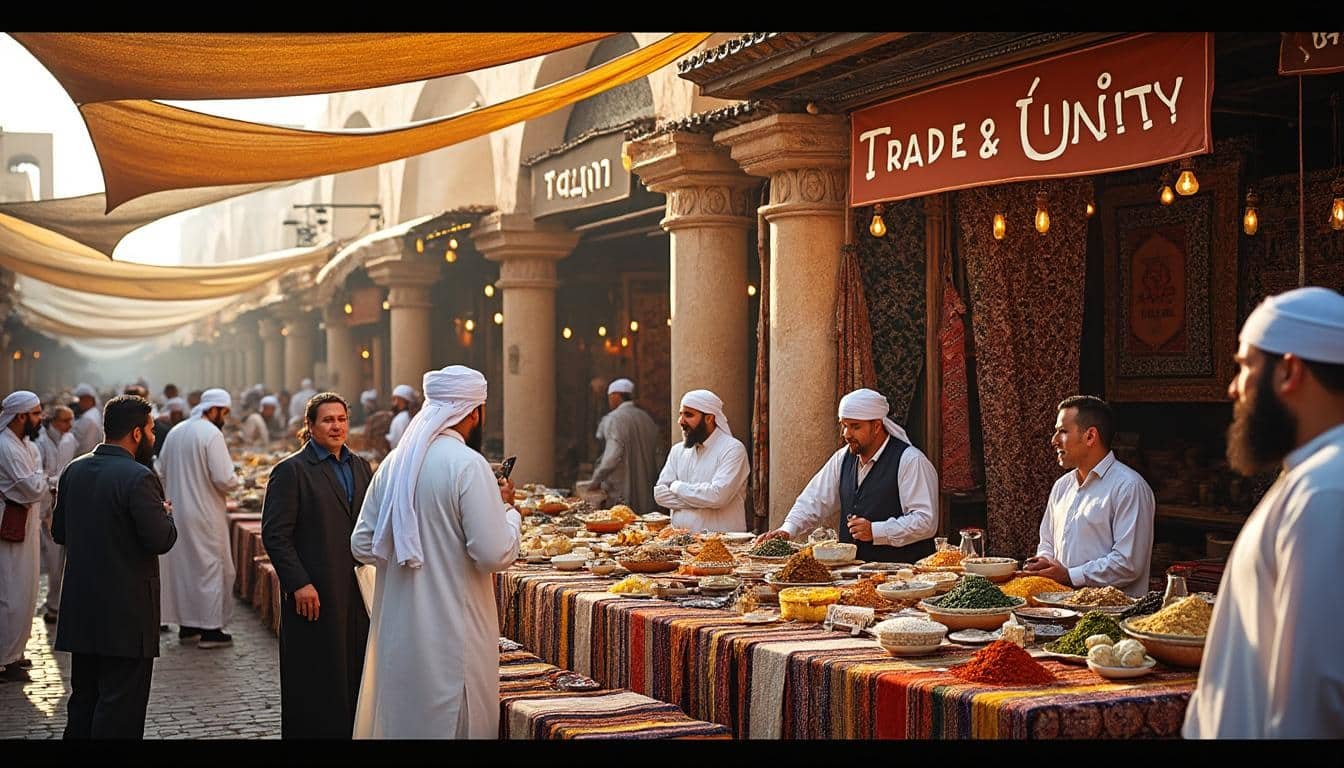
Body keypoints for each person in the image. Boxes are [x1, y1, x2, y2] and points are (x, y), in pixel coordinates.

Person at [1184, 286, 1344, 738]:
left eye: (1245, 367)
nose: (1234, 387)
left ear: (1289, 370)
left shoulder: (1326, 490)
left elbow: (1315, 699)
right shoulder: (1311, 477)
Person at [351, 365, 521, 738]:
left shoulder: (394, 464)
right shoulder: (468, 465)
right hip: (452, 631)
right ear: (474, 413)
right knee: (455, 720)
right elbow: (492, 553)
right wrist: (510, 513)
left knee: (403, 720)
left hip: (400, 627)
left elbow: (361, 545)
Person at [52, 395, 176, 738]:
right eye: (150, 430)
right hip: (127, 614)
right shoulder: (139, 477)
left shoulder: (73, 470)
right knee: (120, 707)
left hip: (82, 609)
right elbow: (160, 540)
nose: (153, 436)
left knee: (84, 701)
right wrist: (165, 515)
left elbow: (59, 532)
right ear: (137, 433)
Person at [262, 392, 372, 738]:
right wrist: (299, 584)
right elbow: (275, 535)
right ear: (309, 426)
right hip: (313, 594)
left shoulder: (360, 466)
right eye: (327, 420)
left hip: (354, 590)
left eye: (341, 419)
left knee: (353, 674)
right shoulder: (291, 471)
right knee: (314, 679)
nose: (336, 426)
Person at [759, 388, 940, 563]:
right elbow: (814, 499)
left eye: (855, 427)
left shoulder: (910, 461)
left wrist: (876, 531)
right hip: (854, 576)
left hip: (903, 577)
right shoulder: (843, 458)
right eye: (844, 426)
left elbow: (926, 521)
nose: (846, 434)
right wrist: (788, 529)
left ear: (876, 426)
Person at [1021, 395, 1155, 598]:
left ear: (1090, 436)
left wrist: (1069, 575)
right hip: (1062, 609)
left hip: (1112, 617)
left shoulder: (1129, 487)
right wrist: (1044, 563)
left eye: (1062, 432)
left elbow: (1128, 563)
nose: (1054, 440)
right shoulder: (1062, 486)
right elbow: (1047, 542)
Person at [157, 388, 240, 648]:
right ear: (213, 409)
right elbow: (224, 478)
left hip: (178, 511)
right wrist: (237, 478)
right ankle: (211, 630)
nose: (224, 418)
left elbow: (160, 470)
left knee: (186, 570)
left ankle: (188, 626)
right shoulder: (211, 433)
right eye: (223, 412)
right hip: (205, 514)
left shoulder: (176, 431)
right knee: (210, 568)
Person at [0, 391, 48, 682]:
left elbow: (37, 480)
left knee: (25, 590)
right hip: (10, 523)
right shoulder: (5, 445)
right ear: (20, 416)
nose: (40, 418)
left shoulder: (26, 444)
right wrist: (42, 481)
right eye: (36, 413)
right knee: (9, 590)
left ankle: (13, 653)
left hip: (27, 523)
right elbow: (30, 486)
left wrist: (41, 481)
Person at [652, 389, 750, 532]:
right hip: (680, 544)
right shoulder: (678, 450)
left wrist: (677, 487)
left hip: (722, 544)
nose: (681, 421)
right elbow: (659, 494)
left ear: (709, 418)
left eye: (688, 415)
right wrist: (703, 501)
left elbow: (717, 496)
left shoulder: (732, 449)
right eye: (681, 415)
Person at [587, 378, 662, 514]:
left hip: (621, 491)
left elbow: (612, 456)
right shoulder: (647, 418)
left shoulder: (614, 419)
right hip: (647, 491)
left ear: (616, 396)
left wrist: (596, 480)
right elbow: (659, 456)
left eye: (609, 397)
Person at [37, 404, 77, 624]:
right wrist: (53, 483)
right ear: (53, 421)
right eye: (65, 420)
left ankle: (58, 604)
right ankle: (53, 604)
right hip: (41, 502)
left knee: (60, 557)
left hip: (61, 503)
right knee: (49, 559)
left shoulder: (69, 440)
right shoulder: (40, 442)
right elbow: (38, 475)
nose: (69, 425)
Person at [70, 383, 103, 457]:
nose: (79, 403)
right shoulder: (94, 412)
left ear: (88, 399)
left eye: (81, 399)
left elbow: (77, 443)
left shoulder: (88, 418)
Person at [385, 384, 417, 451]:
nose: (394, 403)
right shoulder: (407, 416)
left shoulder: (401, 418)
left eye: (396, 399)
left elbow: (395, 442)